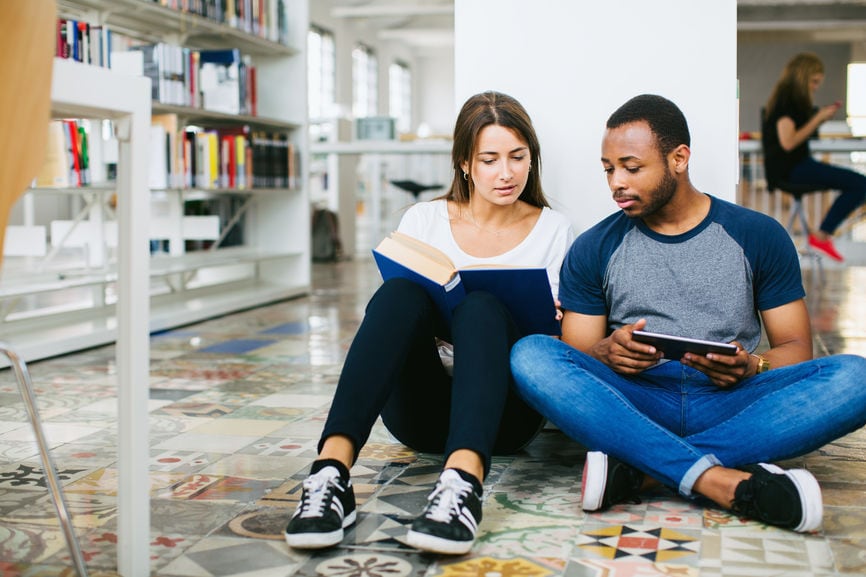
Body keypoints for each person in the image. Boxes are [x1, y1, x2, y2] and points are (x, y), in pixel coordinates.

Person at [510, 94, 866, 533]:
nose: (616, 182)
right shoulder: (595, 247)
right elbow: (576, 356)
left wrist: (752, 365)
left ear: (679, 158)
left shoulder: (757, 235)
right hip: (636, 401)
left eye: (631, 167)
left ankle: (641, 469)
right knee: (530, 354)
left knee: (857, 376)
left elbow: (796, 347)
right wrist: (607, 353)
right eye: (608, 169)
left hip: (732, 402)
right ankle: (718, 480)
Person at [284, 91, 573, 555]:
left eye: (518, 157)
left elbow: (564, 342)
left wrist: (558, 319)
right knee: (397, 294)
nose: (507, 173)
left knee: (480, 309)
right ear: (464, 163)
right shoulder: (424, 220)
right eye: (491, 159)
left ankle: (460, 488)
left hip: (504, 418)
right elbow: (393, 323)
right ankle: (329, 475)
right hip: (419, 413)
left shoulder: (553, 229)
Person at [762, 52, 866, 262]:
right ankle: (822, 235)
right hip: (790, 170)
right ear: (803, 76)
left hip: (794, 167)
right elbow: (788, 142)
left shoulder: (787, 99)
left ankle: (823, 234)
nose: (816, 87)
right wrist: (817, 119)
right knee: (859, 183)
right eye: (814, 81)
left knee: (858, 183)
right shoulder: (788, 101)